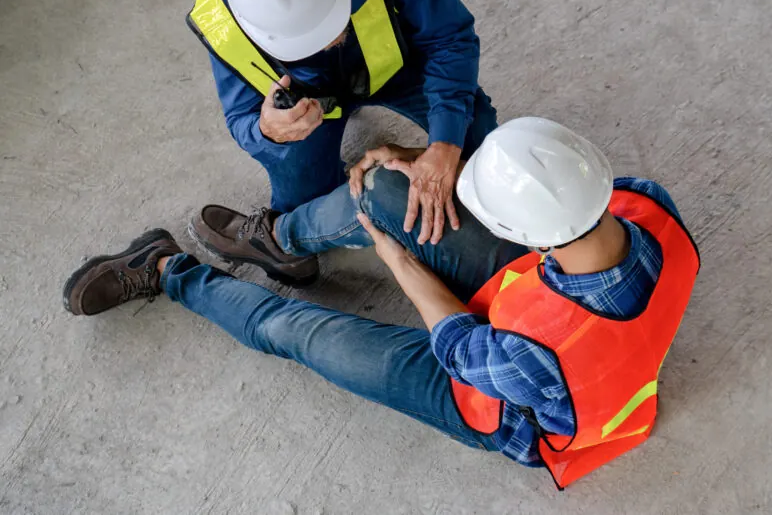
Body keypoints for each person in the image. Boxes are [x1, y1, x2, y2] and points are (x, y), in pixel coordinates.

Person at [62, 118, 700, 488]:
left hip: (501, 402)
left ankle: (167, 270)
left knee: (295, 333)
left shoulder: (536, 355)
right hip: (546, 326)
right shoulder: (645, 206)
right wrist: (422, 163)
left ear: (520, 237)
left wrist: (396, 256)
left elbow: (457, 341)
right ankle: (280, 243)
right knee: (391, 188)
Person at [187, 0, 496, 261]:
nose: (322, 42)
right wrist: (268, 131)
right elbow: (241, 117)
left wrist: (444, 145)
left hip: (399, 69)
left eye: (328, 20)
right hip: (311, 108)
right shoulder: (221, 22)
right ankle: (280, 237)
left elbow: (448, 39)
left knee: (483, 151)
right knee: (307, 208)